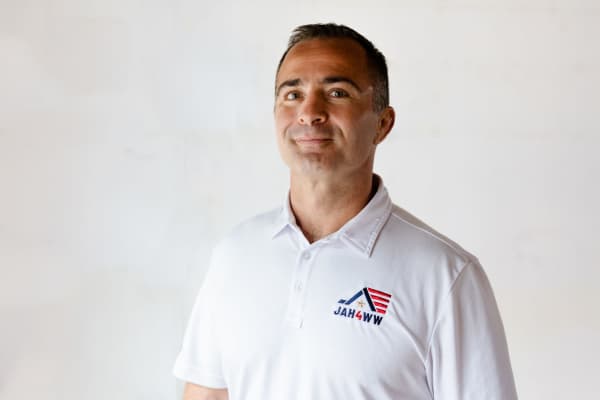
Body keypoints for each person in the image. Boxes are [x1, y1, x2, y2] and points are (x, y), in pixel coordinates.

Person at [173, 23, 518, 400]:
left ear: (382, 124)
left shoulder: (445, 276)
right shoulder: (236, 254)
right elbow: (206, 394)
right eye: (292, 94)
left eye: (337, 93)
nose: (309, 113)